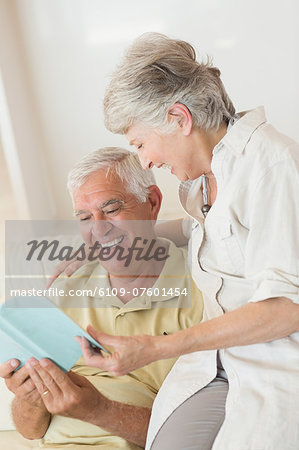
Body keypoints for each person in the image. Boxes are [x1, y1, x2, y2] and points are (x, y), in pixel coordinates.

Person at [75, 33, 299, 450]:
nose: (145, 160)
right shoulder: (207, 176)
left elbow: (288, 308)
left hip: (277, 360)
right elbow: (212, 229)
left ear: (180, 118)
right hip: (221, 361)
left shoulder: (272, 167)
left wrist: (158, 348)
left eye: (141, 143)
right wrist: (105, 239)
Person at [0, 147, 204, 449]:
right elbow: (30, 431)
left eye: (111, 210)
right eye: (85, 217)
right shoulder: (65, 289)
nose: (98, 227)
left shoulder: (201, 293)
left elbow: (195, 434)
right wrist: (29, 397)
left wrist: (98, 410)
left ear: (152, 202)